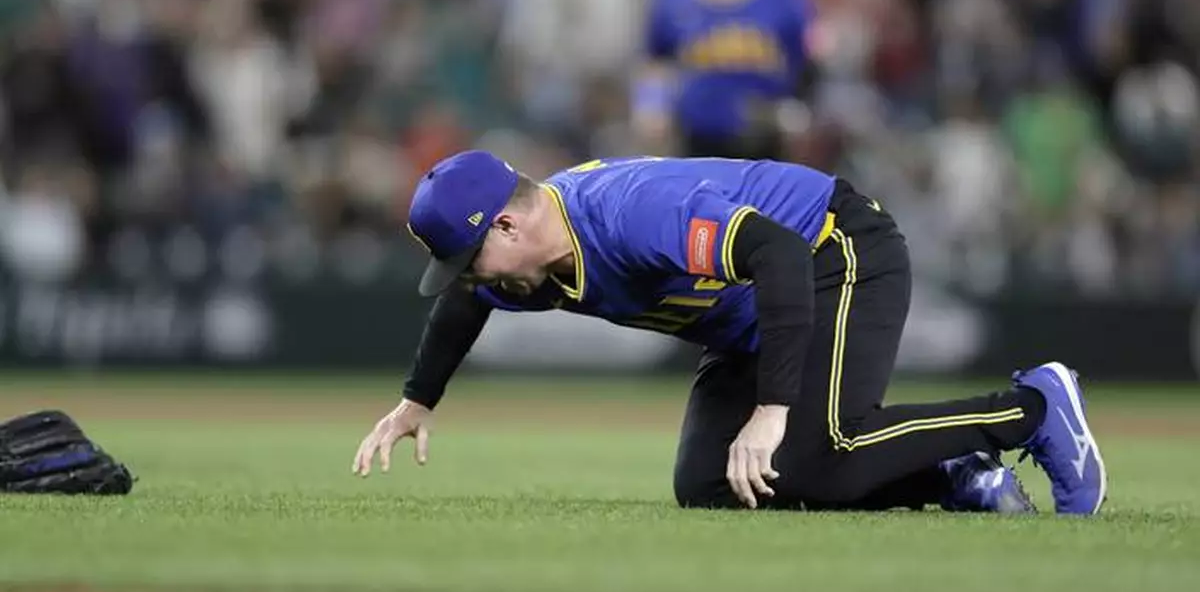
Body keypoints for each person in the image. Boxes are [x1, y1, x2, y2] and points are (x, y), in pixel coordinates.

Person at [352, 151, 1108, 515]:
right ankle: (952, 476)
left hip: (835, 248)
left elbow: (775, 251)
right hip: (753, 313)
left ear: (509, 223)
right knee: (712, 484)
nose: (470, 279)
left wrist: (773, 409)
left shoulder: (627, 211)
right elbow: (462, 305)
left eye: (468, 258)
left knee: (824, 452)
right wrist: (418, 399)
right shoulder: (519, 264)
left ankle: (1033, 407)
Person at [632, 0, 812, 160]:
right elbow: (656, 63)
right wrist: (652, 105)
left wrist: (799, 110)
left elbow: (805, 62)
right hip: (698, 136)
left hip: (767, 136)